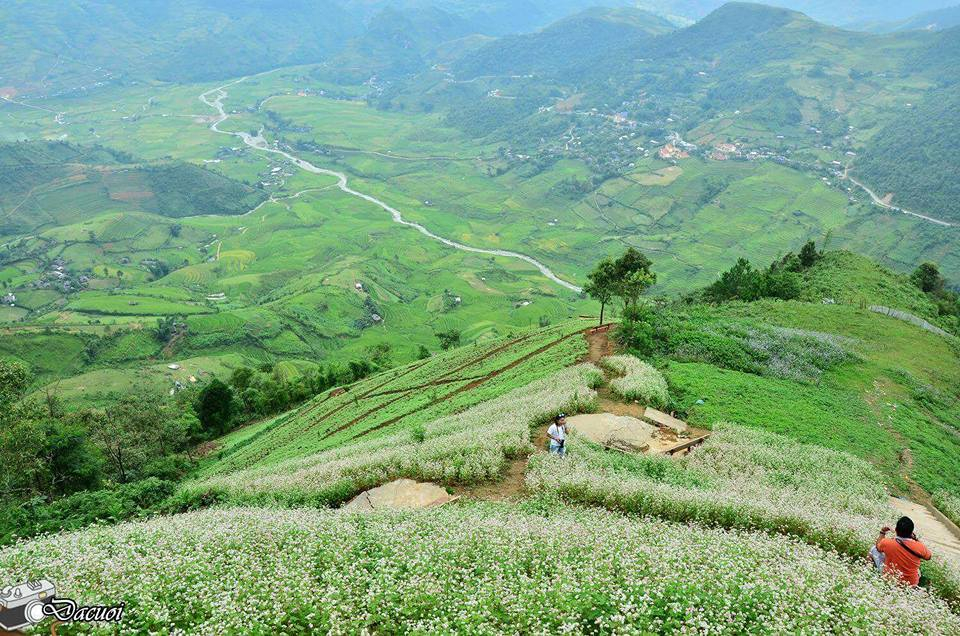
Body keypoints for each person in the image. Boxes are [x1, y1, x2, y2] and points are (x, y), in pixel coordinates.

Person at [869, 516, 932, 587]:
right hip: (911, 584)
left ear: (896, 529)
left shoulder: (887, 543)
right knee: (916, 569)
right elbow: (928, 557)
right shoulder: (920, 546)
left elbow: (878, 547)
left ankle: (867, 570)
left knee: (873, 549)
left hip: (890, 579)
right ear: (911, 532)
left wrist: (882, 532)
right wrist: (916, 539)